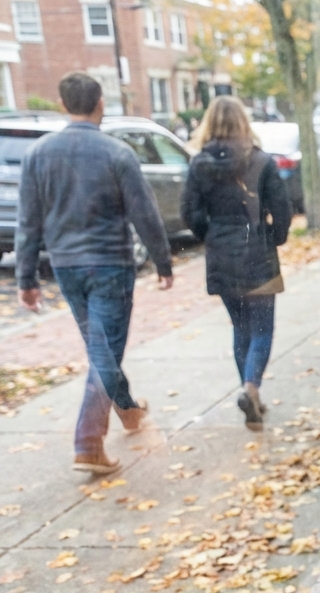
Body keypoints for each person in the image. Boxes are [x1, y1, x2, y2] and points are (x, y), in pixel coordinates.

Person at [16, 72, 173, 474]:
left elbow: (28, 222)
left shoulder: (38, 154)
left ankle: (128, 410)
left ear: (64, 105)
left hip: (67, 266)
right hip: (110, 265)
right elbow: (145, 214)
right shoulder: (117, 153)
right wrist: (162, 261)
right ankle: (87, 444)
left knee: (99, 347)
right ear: (100, 103)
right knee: (105, 350)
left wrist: (27, 278)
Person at [181, 96, 292, 431]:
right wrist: (273, 236)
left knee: (241, 328)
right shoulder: (261, 162)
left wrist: (211, 235)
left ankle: (250, 393)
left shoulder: (199, 165)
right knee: (262, 328)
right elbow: (283, 211)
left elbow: (191, 214)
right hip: (257, 252)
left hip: (222, 257)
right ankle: (251, 387)